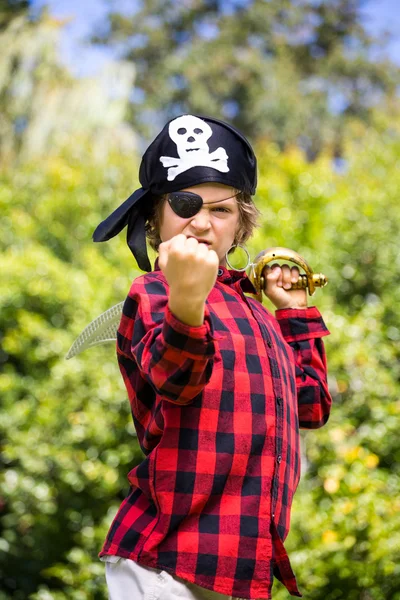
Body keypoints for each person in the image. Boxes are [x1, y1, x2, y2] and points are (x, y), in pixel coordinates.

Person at [93, 114, 332, 600]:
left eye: (221, 210)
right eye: (184, 205)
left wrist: (295, 315)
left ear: (242, 225)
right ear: (154, 220)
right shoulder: (155, 292)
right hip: (162, 560)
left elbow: (311, 407)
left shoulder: (260, 316)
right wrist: (187, 297)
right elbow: (176, 376)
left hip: (236, 567)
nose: (201, 222)